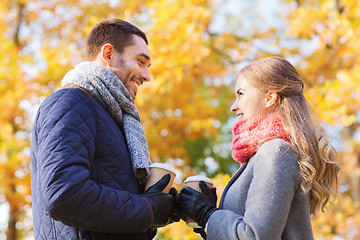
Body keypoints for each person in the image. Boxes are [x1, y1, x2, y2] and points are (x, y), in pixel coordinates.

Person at [30, 19, 177, 240]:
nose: (147, 76)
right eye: (140, 61)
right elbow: (64, 194)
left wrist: (167, 205)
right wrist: (148, 209)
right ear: (108, 54)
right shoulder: (70, 102)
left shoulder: (116, 119)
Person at [178, 56, 340, 239]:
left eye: (241, 94)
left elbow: (255, 235)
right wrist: (206, 222)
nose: (233, 106)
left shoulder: (277, 152)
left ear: (270, 97)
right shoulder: (267, 154)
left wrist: (207, 215)